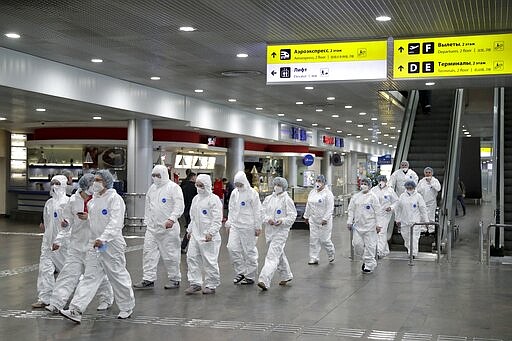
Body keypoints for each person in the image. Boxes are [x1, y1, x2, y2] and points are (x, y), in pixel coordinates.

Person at [60, 170, 135, 323]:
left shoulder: (115, 199)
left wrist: (104, 238)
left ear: (106, 182)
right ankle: (76, 309)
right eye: (94, 179)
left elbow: (116, 223)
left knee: (117, 275)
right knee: (89, 277)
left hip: (111, 245)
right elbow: (92, 223)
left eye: (99, 180)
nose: (95, 183)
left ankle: (126, 306)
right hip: (95, 244)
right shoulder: (93, 201)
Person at [45, 174, 113, 313]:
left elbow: (106, 220)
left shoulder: (98, 199)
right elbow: (67, 220)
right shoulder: (73, 200)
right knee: (68, 273)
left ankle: (106, 299)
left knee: (95, 276)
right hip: (76, 244)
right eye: (91, 185)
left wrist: (89, 217)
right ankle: (56, 302)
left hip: (93, 244)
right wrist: (61, 234)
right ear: (84, 186)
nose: (93, 187)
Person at [133, 165, 185, 290]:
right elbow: (148, 206)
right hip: (152, 228)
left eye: (158, 175)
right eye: (154, 175)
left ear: (164, 174)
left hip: (168, 229)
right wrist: (147, 221)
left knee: (170, 254)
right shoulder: (152, 189)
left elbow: (179, 205)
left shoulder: (173, 188)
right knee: (148, 253)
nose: (156, 178)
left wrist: (172, 219)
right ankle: (148, 278)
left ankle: (175, 278)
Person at [32, 175, 70, 308]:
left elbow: (70, 226)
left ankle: (67, 296)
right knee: (45, 269)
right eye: (53, 183)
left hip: (63, 244)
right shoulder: (49, 203)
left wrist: (60, 240)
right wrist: (47, 238)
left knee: (67, 271)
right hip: (48, 242)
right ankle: (45, 297)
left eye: (58, 183)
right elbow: (47, 222)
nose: (54, 186)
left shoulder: (68, 202)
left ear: (64, 185)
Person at [184, 174, 223, 295]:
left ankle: (211, 284)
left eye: (201, 185)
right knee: (192, 257)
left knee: (209, 260)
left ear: (207, 185)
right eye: (197, 185)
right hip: (196, 234)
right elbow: (193, 217)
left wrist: (211, 232)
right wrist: (189, 230)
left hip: (208, 236)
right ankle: (195, 283)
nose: (199, 188)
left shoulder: (214, 199)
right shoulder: (196, 199)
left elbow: (217, 218)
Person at [257, 177, 297, 291]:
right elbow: (262, 213)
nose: (277, 187)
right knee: (278, 254)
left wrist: (282, 221)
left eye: (279, 185)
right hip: (270, 231)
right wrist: (267, 219)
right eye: (276, 184)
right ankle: (286, 275)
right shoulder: (269, 199)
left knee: (272, 256)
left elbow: (292, 215)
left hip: (281, 232)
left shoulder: (287, 200)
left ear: (283, 187)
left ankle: (264, 280)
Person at [225, 170, 262, 285]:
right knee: (232, 248)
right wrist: (229, 223)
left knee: (249, 251)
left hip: (248, 226)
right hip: (236, 226)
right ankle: (241, 272)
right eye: (236, 184)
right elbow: (231, 209)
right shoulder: (234, 193)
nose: (238, 186)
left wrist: (258, 226)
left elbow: (258, 211)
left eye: (240, 184)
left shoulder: (252, 193)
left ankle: (250, 276)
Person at [347, 178, 382, 273]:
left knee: (370, 246)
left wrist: (379, 225)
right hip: (358, 226)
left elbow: (378, 212)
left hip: (370, 226)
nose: (363, 185)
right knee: (357, 244)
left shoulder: (373, 197)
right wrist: (349, 221)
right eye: (362, 183)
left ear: (370, 185)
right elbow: (351, 210)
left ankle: (369, 265)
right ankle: (365, 259)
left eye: (365, 183)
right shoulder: (356, 197)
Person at [390, 180, 428, 258]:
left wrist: (426, 221)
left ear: (414, 187)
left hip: (415, 222)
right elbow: (399, 208)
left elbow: (423, 209)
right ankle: (409, 249)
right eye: (408, 187)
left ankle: (413, 253)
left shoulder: (418, 196)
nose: (409, 188)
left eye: (411, 187)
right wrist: (398, 219)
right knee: (406, 237)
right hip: (404, 221)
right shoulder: (402, 196)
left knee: (414, 238)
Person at [303, 175, 335, 265]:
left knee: (324, 240)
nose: (318, 183)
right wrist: (306, 216)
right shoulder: (312, 192)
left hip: (324, 221)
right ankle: (314, 257)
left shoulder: (328, 194)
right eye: (317, 181)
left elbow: (330, 208)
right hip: (313, 219)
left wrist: (325, 218)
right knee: (313, 239)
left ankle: (331, 253)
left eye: (320, 181)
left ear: (324, 182)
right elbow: (308, 205)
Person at [370, 175, 398, 258]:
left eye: (383, 180)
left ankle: (379, 251)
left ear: (386, 181)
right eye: (380, 180)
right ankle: (385, 250)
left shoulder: (390, 190)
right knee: (380, 232)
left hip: (385, 214)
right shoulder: (373, 190)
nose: (381, 181)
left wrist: (391, 207)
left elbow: (396, 201)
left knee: (381, 232)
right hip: (375, 214)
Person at [417, 167, 441, 234]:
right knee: (422, 216)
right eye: (426, 172)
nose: (428, 174)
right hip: (423, 201)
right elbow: (417, 190)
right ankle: (423, 229)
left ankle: (431, 229)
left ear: (432, 173)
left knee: (431, 216)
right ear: (424, 173)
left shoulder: (435, 180)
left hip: (431, 202)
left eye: (429, 172)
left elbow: (438, 188)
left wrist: (431, 183)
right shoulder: (421, 181)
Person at [180, 171, 197, 253]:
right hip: (193, 210)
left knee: (189, 227)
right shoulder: (195, 187)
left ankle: (184, 246)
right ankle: (184, 246)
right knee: (191, 228)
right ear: (192, 177)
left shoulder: (183, 185)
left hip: (185, 209)